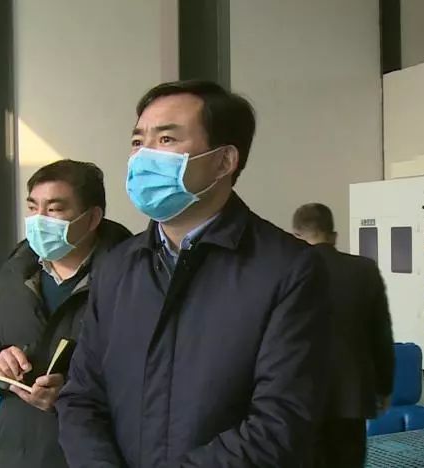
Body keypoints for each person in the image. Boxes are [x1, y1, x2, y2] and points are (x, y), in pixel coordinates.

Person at [56, 80, 332, 467]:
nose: (144, 156)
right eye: (137, 141)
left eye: (166, 139)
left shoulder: (288, 270)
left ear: (224, 161)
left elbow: (280, 423)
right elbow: (82, 397)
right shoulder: (117, 267)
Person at [0, 160, 132, 468]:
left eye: (54, 209)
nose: (39, 220)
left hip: (90, 455)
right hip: (16, 452)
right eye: (33, 207)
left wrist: (71, 396)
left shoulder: (131, 278)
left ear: (92, 217)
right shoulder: (16, 272)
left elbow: (148, 383)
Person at [292, 203, 395, 468]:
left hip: (299, 397)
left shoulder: (285, 271)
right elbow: (381, 335)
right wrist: (384, 387)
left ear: (296, 235)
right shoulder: (364, 270)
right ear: (334, 235)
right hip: (352, 395)